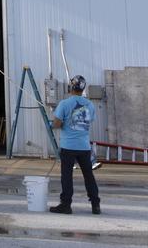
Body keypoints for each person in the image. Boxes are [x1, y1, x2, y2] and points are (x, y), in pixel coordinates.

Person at [49, 75, 101, 215]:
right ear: (83, 88)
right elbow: (88, 122)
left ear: (71, 87)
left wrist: (51, 124)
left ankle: (66, 205)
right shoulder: (90, 105)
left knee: (67, 176)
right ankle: (95, 205)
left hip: (68, 146)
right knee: (88, 175)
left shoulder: (64, 104)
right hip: (84, 147)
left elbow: (57, 124)